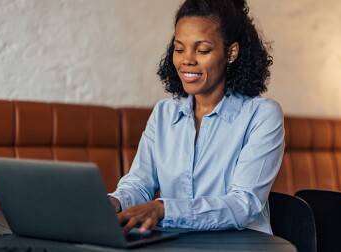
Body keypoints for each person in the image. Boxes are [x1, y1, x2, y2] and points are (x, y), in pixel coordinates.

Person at [108, 0, 283, 235]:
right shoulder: (163, 113)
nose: (187, 60)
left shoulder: (262, 115)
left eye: (202, 50)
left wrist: (164, 210)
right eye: (179, 49)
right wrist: (114, 202)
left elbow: (244, 204)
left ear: (231, 52)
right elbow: (139, 184)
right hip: (177, 244)